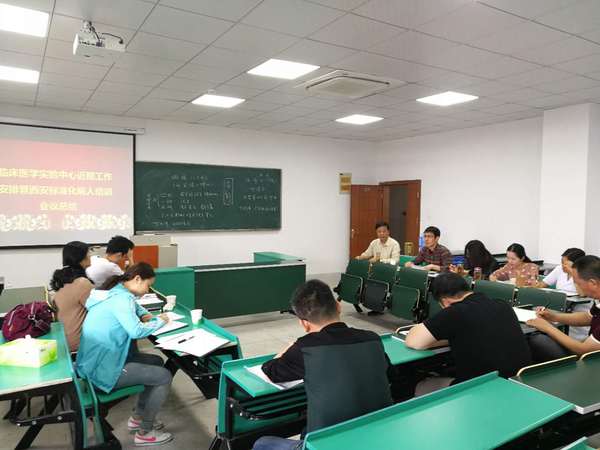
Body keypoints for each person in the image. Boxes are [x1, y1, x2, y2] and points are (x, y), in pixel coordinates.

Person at [253, 280, 393, 450]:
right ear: (338, 307)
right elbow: (387, 370)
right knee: (306, 430)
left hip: (328, 444)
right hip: (377, 436)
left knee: (262, 443)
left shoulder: (305, 347)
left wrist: (289, 348)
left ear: (304, 323)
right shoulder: (372, 338)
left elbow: (270, 370)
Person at [76, 263, 173, 447]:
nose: (148, 290)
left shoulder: (114, 292)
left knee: (156, 361)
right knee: (164, 376)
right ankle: (145, 432)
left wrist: (145, 315)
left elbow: (135, 308)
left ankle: (138, 417)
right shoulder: (122, 298)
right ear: (137, 279)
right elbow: (136, 331)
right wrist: (160, 321)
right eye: (148, 285)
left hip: (93, 364)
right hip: (102, 371)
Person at [404, 273, 531, 394]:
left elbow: (414, 342)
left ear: (445, 301)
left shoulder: (454, 312)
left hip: (480, 389)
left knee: (422, 385)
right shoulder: (503, 305)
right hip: (518, 383)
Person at [527, 255, 600, 362]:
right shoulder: (598, 300)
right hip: (589, 352)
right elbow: (588, 317)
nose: (576, 286)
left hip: (592, 362)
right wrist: (554, 317)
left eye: (577, 283)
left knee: (537, 340)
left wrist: (547, 327)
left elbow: (585, 350)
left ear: (593, 283)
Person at [50, 241, 93, 352]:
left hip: (63, 338)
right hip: (78, 343)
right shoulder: (82, 283)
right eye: (88, 253)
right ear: (81, 258)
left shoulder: (63, 280)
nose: (90, 256)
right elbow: (98, 309)